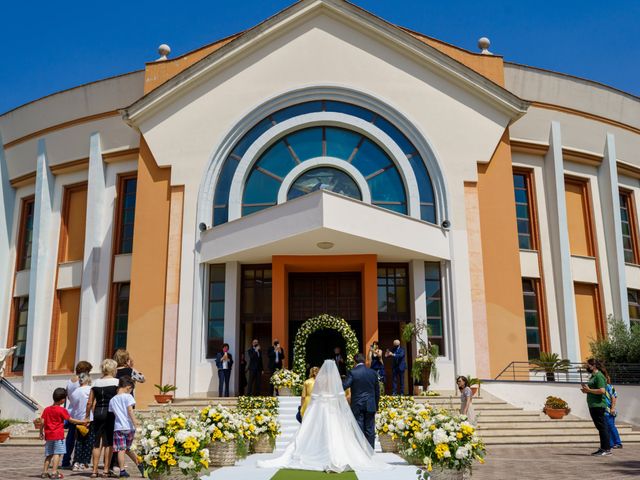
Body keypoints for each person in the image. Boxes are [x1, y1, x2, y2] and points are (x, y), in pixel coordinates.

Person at [255, 359, 390, 472]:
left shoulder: (320, 380)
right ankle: (367, 453)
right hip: (340, 409)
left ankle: (355, 452)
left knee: (322, 431)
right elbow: (368, 391)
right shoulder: (367, 374)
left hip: (324, 409)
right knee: (358, 431)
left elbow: (315, 395)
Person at [39, 387, 87, 479]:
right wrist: (82, 422)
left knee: (49, 454)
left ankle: (44, 472)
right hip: (58, 436)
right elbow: (71, 420)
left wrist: (41, 432)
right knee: (57, 453)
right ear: (62, 400)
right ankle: (54, 472)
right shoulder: (62, 410)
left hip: (49, 436)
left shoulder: (46, 409)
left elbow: (42, 422)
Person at [85, 359, 119, 478]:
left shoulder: (95, 383)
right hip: (110, 413)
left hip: (98, 412)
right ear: (113, 369)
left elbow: (89, 402)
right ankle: (105, 470)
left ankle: (94, 471)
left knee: (96, 443)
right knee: (108, 443)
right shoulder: (116, 382)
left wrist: (87, 416)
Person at [342, 353, 380, 449]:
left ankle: (360, 451)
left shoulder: (353, 372)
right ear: (364, 361)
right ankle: (370, 450)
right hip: (370, 404)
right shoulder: (373, 373)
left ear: (355, 361)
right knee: (370, 429)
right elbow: (377, 391)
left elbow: (344, 385)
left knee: (359, 428)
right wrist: (376, 405)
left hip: (357, 404)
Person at [109, 376, 144, 477]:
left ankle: (122, 470)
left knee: (121, 449)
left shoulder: (112, 399)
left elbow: (113, 412)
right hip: (129, 427)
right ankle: (139, 464)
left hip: (119, 427)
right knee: (127, 448)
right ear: (128, 387)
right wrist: (135, 423)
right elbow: (130, 410)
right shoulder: (128, 396)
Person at [61, 360, 92, 469]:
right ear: (86, 371)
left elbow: (69, 397)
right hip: (81, 412)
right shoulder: (82, 382)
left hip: (71, 411)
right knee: (82, 439)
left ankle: (66, 460)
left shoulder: (70, 381)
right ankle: (79, 460)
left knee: (70, 438)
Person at [580, 358, 611, 456]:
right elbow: (593, 389)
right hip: (593, 405)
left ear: (593, 366)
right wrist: (586, 390)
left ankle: (606, 449)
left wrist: (589, 390)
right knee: (600, 427)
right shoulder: (593, 376)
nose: (586, 366)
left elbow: (602, 390)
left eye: (588, 365)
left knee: (602, 427)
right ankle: (603, 448)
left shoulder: (599, 376)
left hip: (598, 405)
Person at [68, 373, 94, 471]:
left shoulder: (75, 392)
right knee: (89, 442)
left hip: (78, 419)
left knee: (79, 442)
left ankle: (76, 462)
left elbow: (73, 406)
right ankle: (84, 463)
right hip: (89, 418)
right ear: (87, 380)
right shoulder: (90, 389)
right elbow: (91, 403)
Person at [602, 366, 623, 450]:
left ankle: (618, 443)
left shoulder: (609, 387)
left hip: (609, 410)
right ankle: (610, 443)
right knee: (607, 427)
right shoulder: (603, 388)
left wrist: (612, 408)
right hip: (604, 410)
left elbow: (614, 397)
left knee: (611, 426)